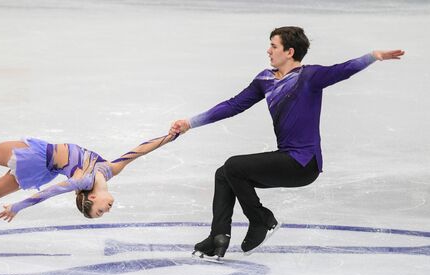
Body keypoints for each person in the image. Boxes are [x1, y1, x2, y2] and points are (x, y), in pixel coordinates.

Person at [169, 26, 404, 262]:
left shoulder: (309, 77)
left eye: (274, 46)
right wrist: (191, 122)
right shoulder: (265, 80)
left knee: (233, 166)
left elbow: (342, 70)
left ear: (289, 51)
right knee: (224, 174)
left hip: (304, 163)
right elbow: (233, 105)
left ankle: (261, 219)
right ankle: (218, 236)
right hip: (286, 158)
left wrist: (373, 56)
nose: (268, 50)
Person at [0, 133, 177, 251]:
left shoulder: (84, 180)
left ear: (91, 197)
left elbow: (50, 193)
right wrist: (170, 136)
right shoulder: (110, 170)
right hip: (43, 168)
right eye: (103, 212)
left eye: (99, 211)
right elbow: (141, 150)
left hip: (38, 156)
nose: (106, 210)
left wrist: (17, 207)